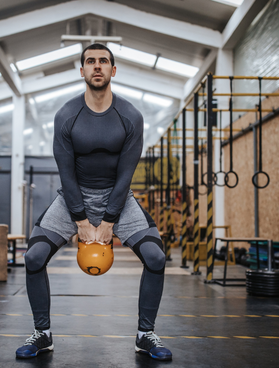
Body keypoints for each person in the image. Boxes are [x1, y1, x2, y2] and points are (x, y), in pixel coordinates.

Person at [15, 43, 171, 361]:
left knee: (156, 257)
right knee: (33, 258)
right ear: (82, 70)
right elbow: (66, 171)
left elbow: (127, 172)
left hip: (119, 197)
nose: (96, 66)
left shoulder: (130, 117)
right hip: (75, 196)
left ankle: (145, 335)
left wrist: (110, 219)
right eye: (90, 61)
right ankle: (42, 334)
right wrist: (81, 220)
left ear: (113, 70)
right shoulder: (66, 116)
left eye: (103, 61)